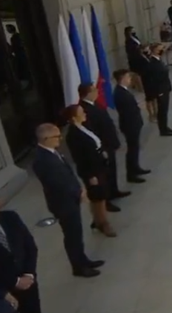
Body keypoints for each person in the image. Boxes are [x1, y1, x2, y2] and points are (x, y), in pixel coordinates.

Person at [31, 124, 104, 278]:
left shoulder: (52, 152)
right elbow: (57, 183)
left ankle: (83, 260)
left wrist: (79, 188)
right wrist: (78, 193)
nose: (60, 138)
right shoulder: (42, 160)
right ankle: (78, 267)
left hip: (70, 199)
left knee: (77, 233)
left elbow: (68, 174)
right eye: (57, 136)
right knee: (72, 236)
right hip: (63, 204)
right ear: (46, 139)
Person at [63, 105, 117, 237]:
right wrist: (90, 175)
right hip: (92, 171)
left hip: (99, 165)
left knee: (99, 195)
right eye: (81, 112)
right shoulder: (73, 136)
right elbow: (80, 158)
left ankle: (97, 220)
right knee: (98, 197)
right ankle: (103, 223)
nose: (85, 114)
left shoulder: (84, 127)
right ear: (74, 118)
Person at [79, 83, 129, 211]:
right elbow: (93, 131)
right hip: (103, 146)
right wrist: (102, 148)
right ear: (87, 94)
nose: (97, 91)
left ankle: (114, 191)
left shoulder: (96, 104)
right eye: (94, 90)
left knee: (112, 170)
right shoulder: (85, 109)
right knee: (104, 175)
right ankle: (107, 200)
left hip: (109, 143)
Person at [112, 70, 150, 183]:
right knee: (132, 149)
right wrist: (137, 107)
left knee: (135, 148)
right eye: (128, 77)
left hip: (133, 123)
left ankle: (136, 167)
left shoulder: (124, 90)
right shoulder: (120, 93)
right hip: (129, 125)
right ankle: (131, 174)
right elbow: (127, 111)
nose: (130, 79)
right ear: (122, 78)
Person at [0, 209, 40, 313]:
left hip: (28, 284)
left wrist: (29, 274)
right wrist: (16, 282)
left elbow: (30, 246)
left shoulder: (10, 217)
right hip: (6, 295)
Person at [143, 43, 172, 136]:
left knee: (164, 110)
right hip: (161, 91)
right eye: (160, 49)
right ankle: (163, 130)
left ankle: (165, 127)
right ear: (155, 50)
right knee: (162, 111)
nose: (162, 50)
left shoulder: (158, 60)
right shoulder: (153, 63)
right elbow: (154, 79)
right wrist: (159, 92)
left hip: (165, 88)